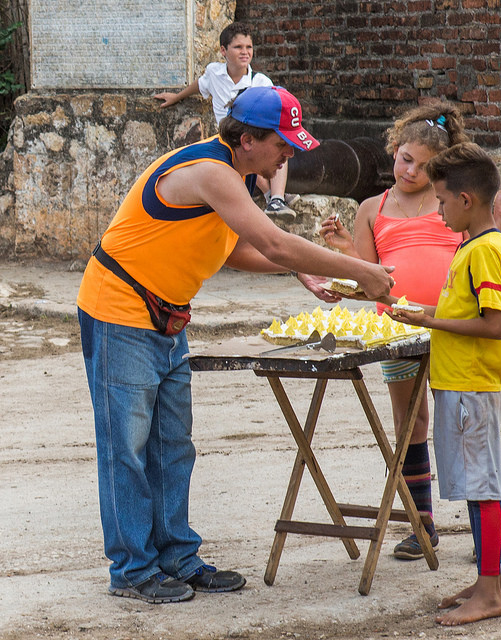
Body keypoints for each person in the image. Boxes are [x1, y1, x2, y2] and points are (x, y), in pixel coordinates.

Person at [77, 85, 395, 604]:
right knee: (128, 450)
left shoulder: (236, 173)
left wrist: (302, 272)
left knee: (172, 446)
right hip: (120, 314)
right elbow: (271, 240)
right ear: (246, 139)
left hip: (166, 317)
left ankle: (177, 557)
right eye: (282, 144)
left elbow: (237, 249)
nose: (288, 154)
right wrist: (360, 269)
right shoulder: (211, 172)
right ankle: (133, 569)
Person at [319, 101, 501, 561]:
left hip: (452, 328)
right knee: (411, 422)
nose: (412, 171)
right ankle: (421, 524)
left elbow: (485, 252)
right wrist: (342, 252)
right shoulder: (373, 207)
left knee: (466, 424)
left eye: (425, 167)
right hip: (395, 329)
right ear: (393, 149)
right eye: (406, 159)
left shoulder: (453, 203)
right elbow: (369, 273)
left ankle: (485, 538)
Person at [386, 141, 501, 626]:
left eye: (441, 201)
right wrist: (422, 313)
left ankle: (489, 592)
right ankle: (489, 581)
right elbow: (465, 312)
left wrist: (433, 325)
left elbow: (492, 324)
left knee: (482, 486)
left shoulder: (484, 251)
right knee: (477, 483)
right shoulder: (473, 246)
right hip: (458, 381)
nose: (436, 210)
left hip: (471, 384)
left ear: (466, 200)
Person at [154, 21, 299, 219]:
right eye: (238, 47)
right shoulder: (214, 72)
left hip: (254, 136)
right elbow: (200, 85)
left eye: (249, 47)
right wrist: (177, 96)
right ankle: (271, 196)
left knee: (274, 144)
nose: (245, 52)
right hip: (230, 137)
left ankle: (277, 198)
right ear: (223, 50)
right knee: (240, 150)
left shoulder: (261, 82)